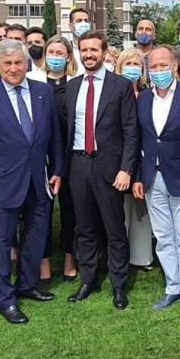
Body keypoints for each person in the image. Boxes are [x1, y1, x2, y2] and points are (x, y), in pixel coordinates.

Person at [0, 39, 64, 325]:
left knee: (35, 236)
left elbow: (55, 137)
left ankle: (27, 284)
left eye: (18, 62)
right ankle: (5, 299)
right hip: (1, 183)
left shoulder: (43, 92)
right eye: (7, 63)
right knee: (0, 241)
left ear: (27, 64)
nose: (13, 68)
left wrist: (57, 169)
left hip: (38, 180)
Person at [133, 46, 180, 323]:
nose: (157, 71)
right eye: (152, 67)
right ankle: (173, 287)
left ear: (175, 66)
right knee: (164, 238)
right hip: (153, 179)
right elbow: (141, 141)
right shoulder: (142, 99)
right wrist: (139, 178)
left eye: (162, 66)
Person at [64, 30, 138, 309]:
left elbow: (131, 131)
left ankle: (119, 285)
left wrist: (126, 169)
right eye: (84, 50)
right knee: (84, 228)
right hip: (79, 165)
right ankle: (89, 278)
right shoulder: (72, 87)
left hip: (110, 167)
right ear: (79, 53)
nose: (89, 55)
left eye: (94, 50)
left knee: (114, 227)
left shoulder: (119, 86)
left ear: (104, 52)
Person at [27, 36, 80, 281]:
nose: (56, 56)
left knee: (70, 210)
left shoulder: (76, 84)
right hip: (41, 155)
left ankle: (70, 257)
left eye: (61, 52)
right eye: (51, 51)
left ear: (69, 56)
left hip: (71, 156)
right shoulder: (33, 82)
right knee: (41, 211)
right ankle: (44, 261)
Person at [116, 48, 155, 269]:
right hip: (120, 159)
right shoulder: (113, 93)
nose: (133, 68)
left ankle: (141, 257)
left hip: (144, 157)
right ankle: (119, 256)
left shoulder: (147, 95)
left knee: (140, 209)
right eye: (128, 63)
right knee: (120, 210)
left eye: (137, 64)